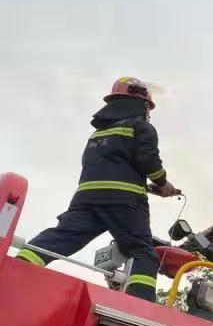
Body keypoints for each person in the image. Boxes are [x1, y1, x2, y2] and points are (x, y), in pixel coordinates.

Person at [16, 77, 180, 302]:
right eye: (147, 108)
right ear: (141, 104)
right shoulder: (141, 126)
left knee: (63, 237)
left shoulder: (98, 135)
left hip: (87, 199)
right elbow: (147, 159)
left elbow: (112, 167)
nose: (148, 113)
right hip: (125, 202)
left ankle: (18, 267)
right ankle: (139, 305)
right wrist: (163, 184)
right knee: (142, 253)